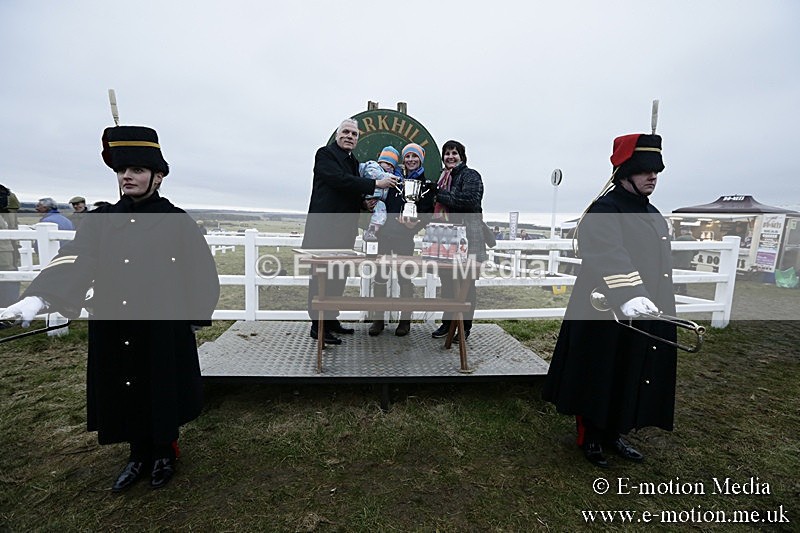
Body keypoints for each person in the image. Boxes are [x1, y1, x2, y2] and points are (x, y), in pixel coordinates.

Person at [1, 125, 220, 491]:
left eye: (136, 170)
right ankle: (137, 456)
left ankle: (164, 451)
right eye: (122, 170)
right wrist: (37, 298)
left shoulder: (177, 220)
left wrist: (195, 316)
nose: (127, 177)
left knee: (159, 385)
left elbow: (200, 270)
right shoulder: (100, 221)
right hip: (114, 321)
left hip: (161, 323)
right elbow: (76, 258)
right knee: (125, 385)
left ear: (158, 176)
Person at [542, 132, 676, 468]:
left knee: (629, 369)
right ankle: (590, 437)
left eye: (656, 170)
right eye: (645, 169)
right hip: (603, 307)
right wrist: (630, 294)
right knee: (598, 370)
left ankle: (615, 431)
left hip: (644, 308)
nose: (653, 176)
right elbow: (607, 253)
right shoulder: (605, 209)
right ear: (625, 171)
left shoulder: (652, 213)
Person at [301, 118, 397, 345]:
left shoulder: (353, 160)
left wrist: (363, 205)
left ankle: (332, 321)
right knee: (321, 278)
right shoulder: (325, 154)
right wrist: (376, 185)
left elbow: (349, 191)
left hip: (344, 230)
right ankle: (318, 327)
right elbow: (339, 181)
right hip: (323, 229)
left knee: (338, 277)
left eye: (354, 134)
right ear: (337, 135)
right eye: (346, 132)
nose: (350, 137)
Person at [368, 143, 435, 337]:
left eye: (415, 156)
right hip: (383, 235)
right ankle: (378, 320)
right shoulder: (392, 178)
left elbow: (428, 213)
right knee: (379, 276)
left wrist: (416, 225)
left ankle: (405, 321)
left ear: (420, 159)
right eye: (408, 156)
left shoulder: (425, 184)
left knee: (405, 278)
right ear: (403, 160)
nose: (411, 160)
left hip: (405, 238)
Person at [430, 140, 487, 341]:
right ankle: (448, 324)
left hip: (468, 239)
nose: (450, 157)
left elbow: (467, 201)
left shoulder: (471, 175)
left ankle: (464, 328)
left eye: (454, 153)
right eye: (447, 154)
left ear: (462, 156)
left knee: (466, 285)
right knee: (447, 283)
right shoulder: (443, 178)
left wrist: (439, 195)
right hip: (446, 240)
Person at [361, 146, 404, 241]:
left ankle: (372, 230)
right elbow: (374, 174)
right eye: (387, 163)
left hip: (379, 201)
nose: (389, 166)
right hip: (368, 196)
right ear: (380, 161)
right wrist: (391, 177)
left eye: (392, 165)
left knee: (381, 214)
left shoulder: (393, 175)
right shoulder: (373, 166)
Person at [0, 183, 21, 309]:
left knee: (9, 280)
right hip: (7, 253)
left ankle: (8, 311)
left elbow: (13, 227)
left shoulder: (9, 199)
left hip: (8, 252)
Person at [672, 228, 696, 295]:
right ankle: (683, 290)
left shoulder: (680, 238)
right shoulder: (694, 239)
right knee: (684, 276)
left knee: (676, 275)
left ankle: (675, 289)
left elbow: (672, 249)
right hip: (687, 262)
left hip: (677, 261)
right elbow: (696, 251)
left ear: (684, 231)